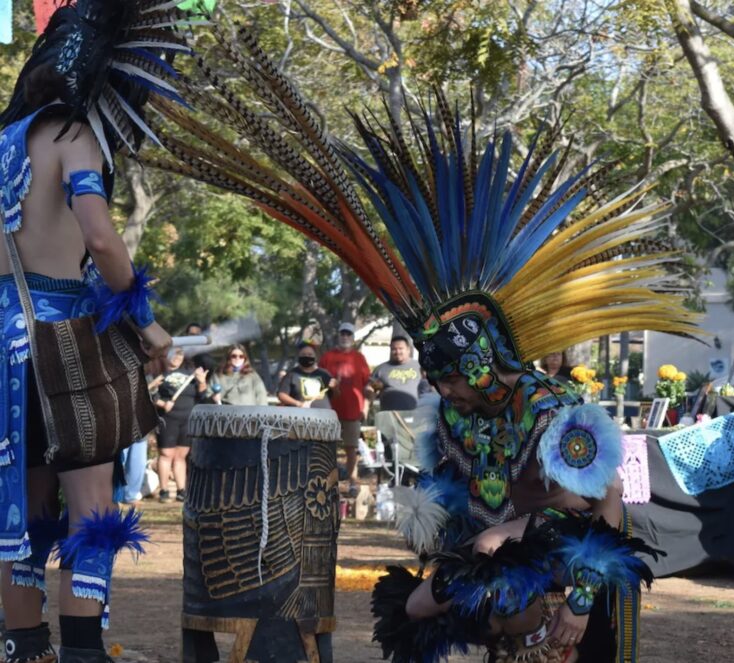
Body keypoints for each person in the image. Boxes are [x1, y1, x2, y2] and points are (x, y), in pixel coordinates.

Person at [149, 48, 701, 659]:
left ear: (483, 364)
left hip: (576, 560)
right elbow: (454, 498)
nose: (445, 392)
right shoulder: (456, 417)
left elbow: (607, 505)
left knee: (501, 577)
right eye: (437, 381)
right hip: (501, 558)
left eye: (453, 380)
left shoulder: (555, 412)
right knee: (417, 606)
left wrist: (577, 600)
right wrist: (435, 528)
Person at [0, 2, 189, 659]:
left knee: (17, 513)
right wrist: (147, 320)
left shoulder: (2, 139)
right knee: (89, 506)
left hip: (1, 345)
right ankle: (82, 651)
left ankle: (26, 647)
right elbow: (102, 238)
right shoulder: (71, 134)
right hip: (62, 341)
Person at [153, 347, 211, 503]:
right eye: (174, 354)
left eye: (180, 354)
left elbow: (202, 395)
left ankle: (181, 490)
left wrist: (202, 382)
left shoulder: (191, 374)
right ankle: (164, 490)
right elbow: (149, 394)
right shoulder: (159, 375)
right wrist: (162, 404)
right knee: (166, 455)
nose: (177, 357)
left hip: (186, 419)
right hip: (167, 419)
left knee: (180, 456)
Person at [320, 323, 370, 485]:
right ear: (338, 335)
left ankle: (352, 482)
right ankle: (327, 482)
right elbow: (317, 382)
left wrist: (366, 408)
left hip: (352, 412)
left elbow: (368, 385)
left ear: (353, 338)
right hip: (329, 411)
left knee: (351, 449)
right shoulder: (327, 357)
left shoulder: (359, 358)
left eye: (348, 334)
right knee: (327, 449)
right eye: (343, 334)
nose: (345, 337)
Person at [367, 336, 423, 412]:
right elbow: (371, 390)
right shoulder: (380, 369)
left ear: (408, 350)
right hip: (389, 415)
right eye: (394, 349)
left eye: (400, 348)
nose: (397, 352)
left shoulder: (420, 367)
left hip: (416, 414)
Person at [277, 342, 336, 408]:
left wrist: (334, 387)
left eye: (310, 354)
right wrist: (298, 404)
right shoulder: (292, 374)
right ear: (299, 356)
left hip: (323, 415)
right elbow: (281, 395)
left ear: (315, 357)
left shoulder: (324, 374)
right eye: (303, 354)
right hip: (301, 415)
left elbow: (336, 394)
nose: (307, 356)